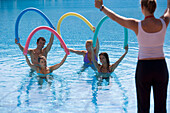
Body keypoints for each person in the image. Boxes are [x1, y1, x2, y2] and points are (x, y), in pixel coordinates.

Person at [95, 0, 170, 112]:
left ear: (142, 7)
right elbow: (169, 8)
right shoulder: (164, 22)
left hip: (144, 68)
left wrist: (101, 7)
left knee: (143, 107)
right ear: (154, 7)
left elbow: (116, 18)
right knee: (161, 107)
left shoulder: (137, 25)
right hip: (160, 68)